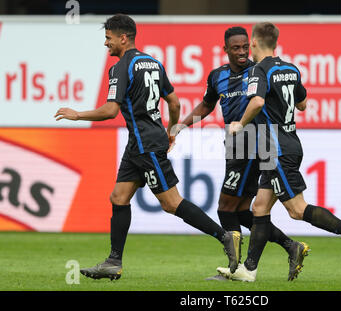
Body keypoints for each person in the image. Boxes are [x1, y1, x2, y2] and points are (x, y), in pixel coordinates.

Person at [54, 14, 241, 280]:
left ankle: (224, 237)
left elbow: (110, 111)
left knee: (171, 203)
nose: (106, 44)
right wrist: (171, 130)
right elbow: (174, 103)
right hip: (142, 142)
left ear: (123, 38)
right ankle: (113, 262)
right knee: (119, 197)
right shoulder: (153, 62)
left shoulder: (121, 67)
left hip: (145, 144)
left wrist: (77, 115)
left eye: (108, 38)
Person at [217, 22, 341, 282]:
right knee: (260, 207)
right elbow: (303, 104)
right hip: (286, 143)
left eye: (249, 43)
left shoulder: (259, 70)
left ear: (253, 42)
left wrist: (239, 124)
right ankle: (249, 270)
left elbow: (257, 101)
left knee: (297, 210)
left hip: (275, 148)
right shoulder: (290, 68)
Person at [175, 26, 309, 281]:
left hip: (255, 142)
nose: (242, 52)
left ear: (251, 46)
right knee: (245, 211)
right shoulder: (217, 76)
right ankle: (291, 246)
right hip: (236, 144)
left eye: (245, 47)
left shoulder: (258, 71)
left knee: (226, 207)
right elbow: (207, 104)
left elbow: (281, 99)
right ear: (225, 49)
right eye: (235, 48)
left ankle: (235, 269)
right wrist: (181, 125)